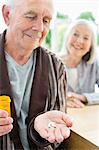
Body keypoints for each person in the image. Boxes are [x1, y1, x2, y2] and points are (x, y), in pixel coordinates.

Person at [0, 0, 73, 150]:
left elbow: (58, 132)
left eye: (46, 20)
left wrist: (42, 131)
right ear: (7, 15)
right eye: (31, 16)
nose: (40, 28)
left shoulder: (56, 66)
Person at [60, 19, 99, 108]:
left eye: (86, 38)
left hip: (86, 117)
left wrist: (84, 97)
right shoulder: (52, 63)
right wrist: (61, 99)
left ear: (90, 45)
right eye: (75, 34)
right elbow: (42, 95)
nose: (79, 41)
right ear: (67, 38)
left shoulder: (94, 65)